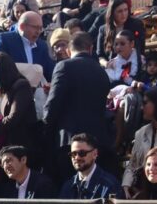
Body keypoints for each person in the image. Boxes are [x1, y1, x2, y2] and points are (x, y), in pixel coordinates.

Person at [45, 33, 112, 182]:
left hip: (70, 142)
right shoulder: (101, 71)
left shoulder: (63, 66)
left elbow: (53, 103)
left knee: (69, 189)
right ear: (91, 49)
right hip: (97, 139)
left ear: (69, 50)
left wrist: (44, 128)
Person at [0, 11, 54, 113]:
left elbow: (49, 70)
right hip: (3, 100)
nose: (39, 31)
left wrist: (51, 84)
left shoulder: (42, 46)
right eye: (35, 27)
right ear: (22, 26)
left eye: (40, 28)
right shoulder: (3, 40)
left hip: (28, 105)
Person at [0, 52, 38, 155]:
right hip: (3, 146)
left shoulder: (21, 86)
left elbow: (14, 117)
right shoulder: (1, 90)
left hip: (19, 148)